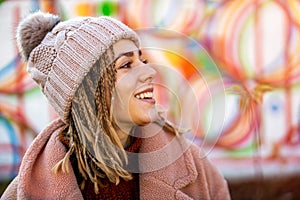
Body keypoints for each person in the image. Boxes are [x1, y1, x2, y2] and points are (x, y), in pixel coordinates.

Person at [1, 11, 230, 199]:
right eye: (126, 65)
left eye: (143, 60)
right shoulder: (29, 188)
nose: (149, 72)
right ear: (86, 93)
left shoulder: (194, 166)